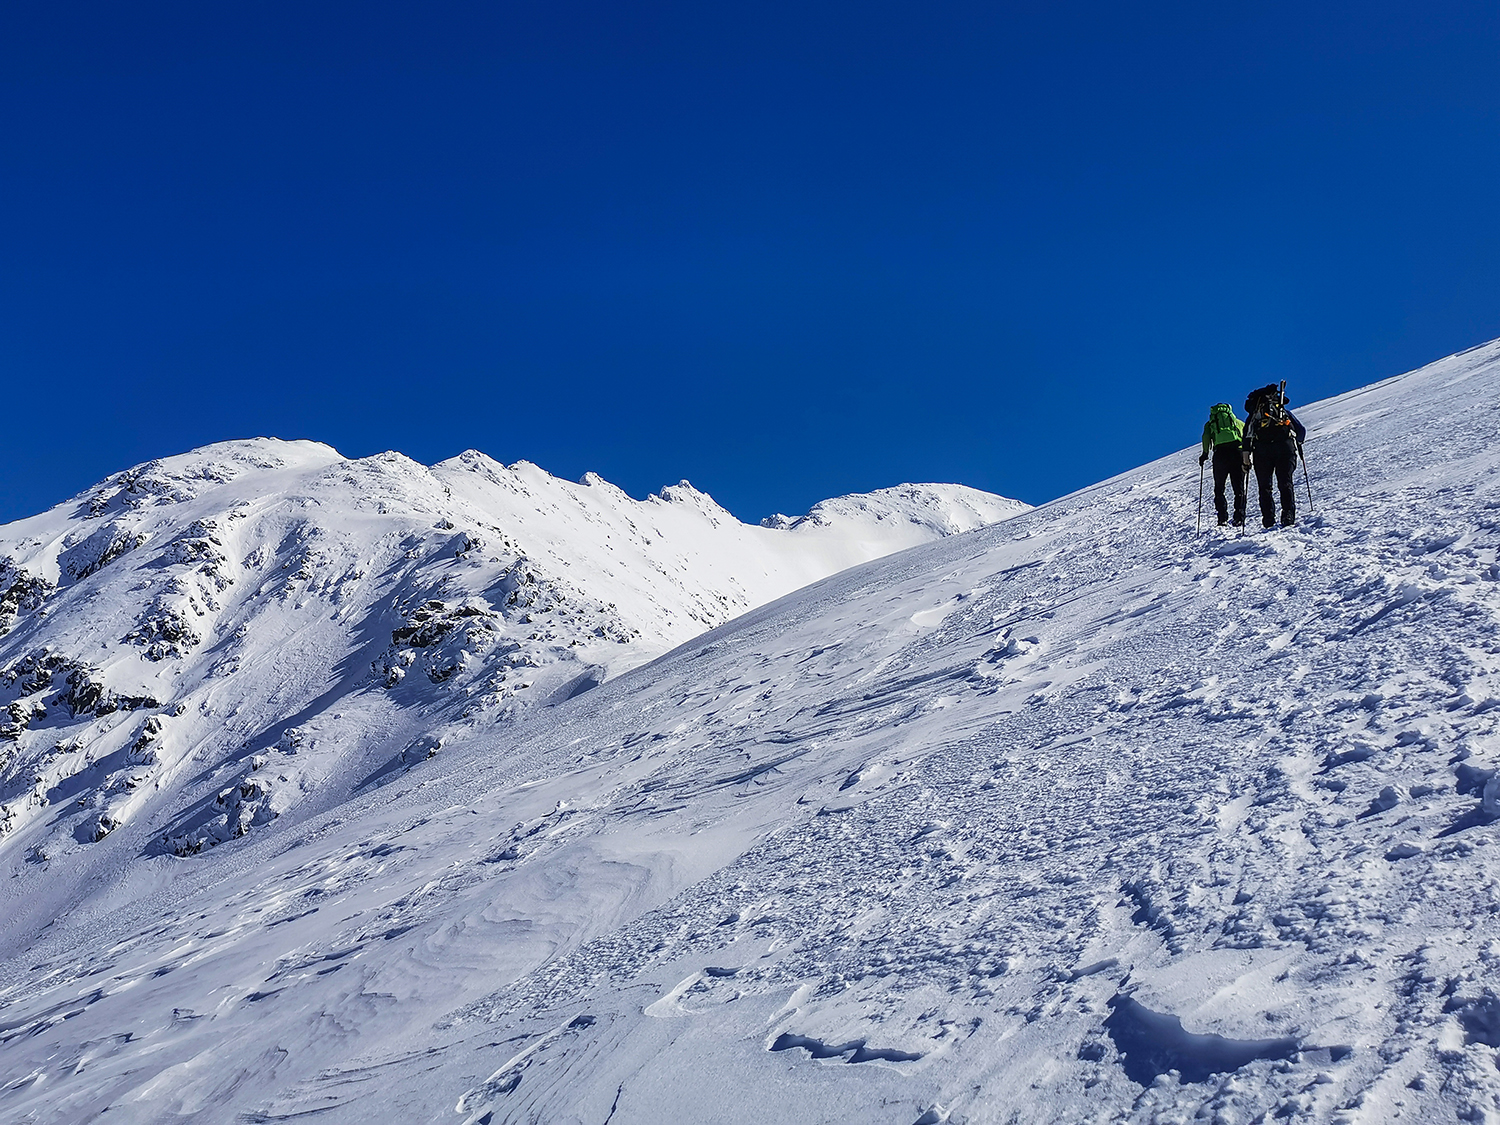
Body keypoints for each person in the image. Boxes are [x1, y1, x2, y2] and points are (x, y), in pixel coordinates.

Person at [1243, 384, 1307, 528]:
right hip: (1285, 447)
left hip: (1262, 451)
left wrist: (1246, 457)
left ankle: (1268, 519)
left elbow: (1247, 436)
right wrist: (1298, 442)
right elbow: (1301, 430)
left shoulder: (1254, 416)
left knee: (1265, 487)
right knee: (1285, 482)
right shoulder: (1283, 412)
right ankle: (1288, 515)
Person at [1198, 403, 1247, 527]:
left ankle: (1222, 518)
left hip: (1220, 455)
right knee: (1239, 487)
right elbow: (1246, 436)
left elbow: (1206, 437)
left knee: (1219, 488)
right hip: (1237, 453)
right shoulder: (1237, 422)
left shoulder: (1210, 424)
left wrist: (1205, 454)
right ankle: (1239, 516)